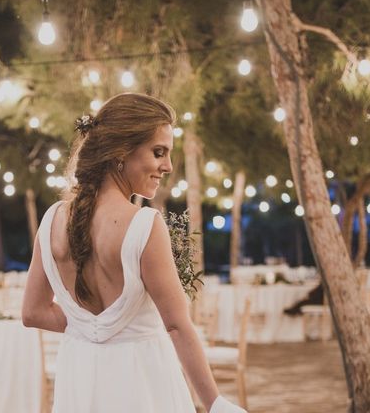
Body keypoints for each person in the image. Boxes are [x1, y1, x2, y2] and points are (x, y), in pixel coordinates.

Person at [22, 93, 246, 413]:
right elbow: (177, 326)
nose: (167, 166)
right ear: (121, 153)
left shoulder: (51, 220)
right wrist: (215, 403)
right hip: (142, 380)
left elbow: (32, 313)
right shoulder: (144, 225)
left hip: (80, 376)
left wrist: (86, 328)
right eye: (159, 153)